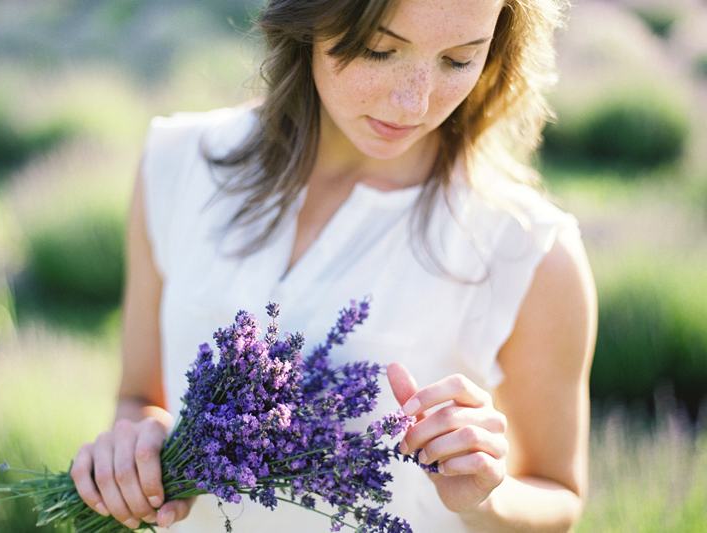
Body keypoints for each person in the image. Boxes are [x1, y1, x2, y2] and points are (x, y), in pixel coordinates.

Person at [71, 0, 597, 531]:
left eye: (458, 60)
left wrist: (487, 495)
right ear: (310, 20)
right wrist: (133, 452)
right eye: (380, 50)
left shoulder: (529, 251)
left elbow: (560, 498)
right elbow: (140, 397)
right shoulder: (180, 162)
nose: (414, 102)